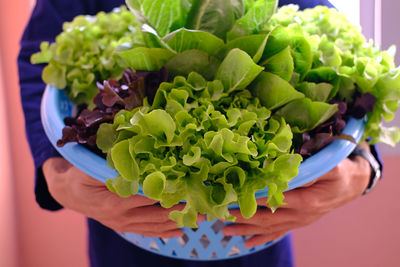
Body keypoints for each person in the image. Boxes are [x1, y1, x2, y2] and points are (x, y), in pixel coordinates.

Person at [18, 0, 382, 266]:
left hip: (253, 248)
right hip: (128, 244)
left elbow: (337, 62)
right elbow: (40, 57)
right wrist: (54, 173)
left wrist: (362, 166)